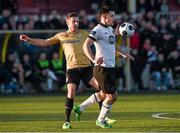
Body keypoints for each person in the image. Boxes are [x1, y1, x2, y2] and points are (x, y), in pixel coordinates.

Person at [19, 12, 105, 129]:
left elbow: (100, 39)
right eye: (73, 21)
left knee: (102, 88)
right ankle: (67, 121)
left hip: (87, 68)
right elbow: (45, 42)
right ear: (67, 22)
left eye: (77, 21)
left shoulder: (85, 34)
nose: (75, 23)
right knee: (71, 91)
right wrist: (29, 40)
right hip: (72, 69)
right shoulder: (61, 36)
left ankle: (102, 119)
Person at [74, 6, 134, 128]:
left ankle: (80, 108)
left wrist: (123, 53)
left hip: (109, 68)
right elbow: (86, 45)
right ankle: (100, 120)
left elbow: (113, 43)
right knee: (112, 96)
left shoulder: (110, 28)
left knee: (102, 94)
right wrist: (94, 59)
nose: (114, 18)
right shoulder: (97, 30)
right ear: (104, 17)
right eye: (112, 16)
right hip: (102, 68)